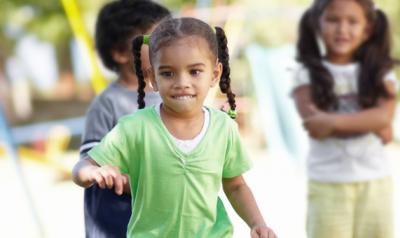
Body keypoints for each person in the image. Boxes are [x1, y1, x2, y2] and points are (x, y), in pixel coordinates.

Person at [73, 17, 277, 238]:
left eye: (195, 71)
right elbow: (80, 170)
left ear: (215, 74)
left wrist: (257, 223)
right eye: (168, 73)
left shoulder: (224, 128)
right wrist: (94, 171)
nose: (182, 82)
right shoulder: (134, 128)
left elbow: (236, 185)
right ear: (152, 78)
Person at [292, 0, 398, 237]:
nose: (342, 29)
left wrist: (332, 121)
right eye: (333, 20)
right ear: (317, 24)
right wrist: (369, 122)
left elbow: (384, 116)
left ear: (367, 29)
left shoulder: (380, 71)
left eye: (352, 21)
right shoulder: (305, 73)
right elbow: (315, 126)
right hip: (328, 185)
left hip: (375, 183)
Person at [79, 1, 170, 237]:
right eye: (155, 39)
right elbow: (87, 164)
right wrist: (99, 173)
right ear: (120, 53)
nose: (168, 45)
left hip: (164, 216)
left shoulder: (174, 94)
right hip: (119, 220)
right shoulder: (107, 104)